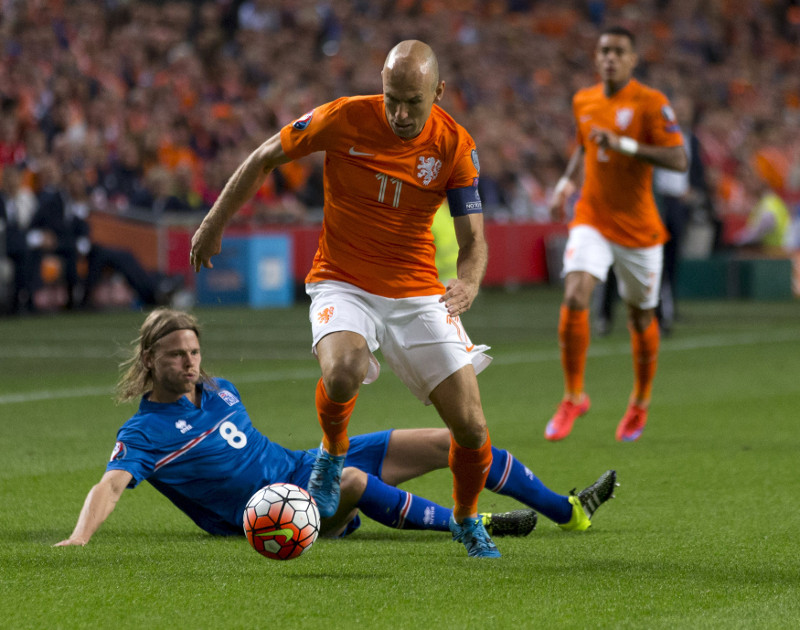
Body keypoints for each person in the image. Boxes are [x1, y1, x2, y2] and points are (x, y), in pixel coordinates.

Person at [190, 40, 503, 557]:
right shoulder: (343, 118)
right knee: (342, 370)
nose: (400, 113)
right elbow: (265, 155)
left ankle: (467, 519)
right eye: (391, 99)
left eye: (413, 102)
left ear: (439, 92)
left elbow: (473, 241)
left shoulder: (455, 145)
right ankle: (332, 456)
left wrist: (468, 282)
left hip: (418, 292)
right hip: (342, 280)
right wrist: (214, 221)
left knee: (471, 427)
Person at [54, 308, 618, 548]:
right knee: (347, 480)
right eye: (177, 355)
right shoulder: (144, 433)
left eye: (194, 351)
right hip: (274, 511)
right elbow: (110, 486)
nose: (190, 362)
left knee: (453, 439)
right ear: (150, 360)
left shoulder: (220, 389)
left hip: (303, 466)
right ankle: (474, 524)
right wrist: (80, 538)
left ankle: (569, 512)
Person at [545, 26, 688, 443]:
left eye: (618, 51)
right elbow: (584, 148)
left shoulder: (651, 103)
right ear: (596, 57)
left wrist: (625, 145)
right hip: (592, 217)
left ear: (632, 59)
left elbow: (678, 159)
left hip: (639, 229)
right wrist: (565, 184)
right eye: (603, 50)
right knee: (575, 293)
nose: (609, 57)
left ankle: (639, 403)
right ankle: (573, 396)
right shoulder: (583, 100)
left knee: (641, 314)